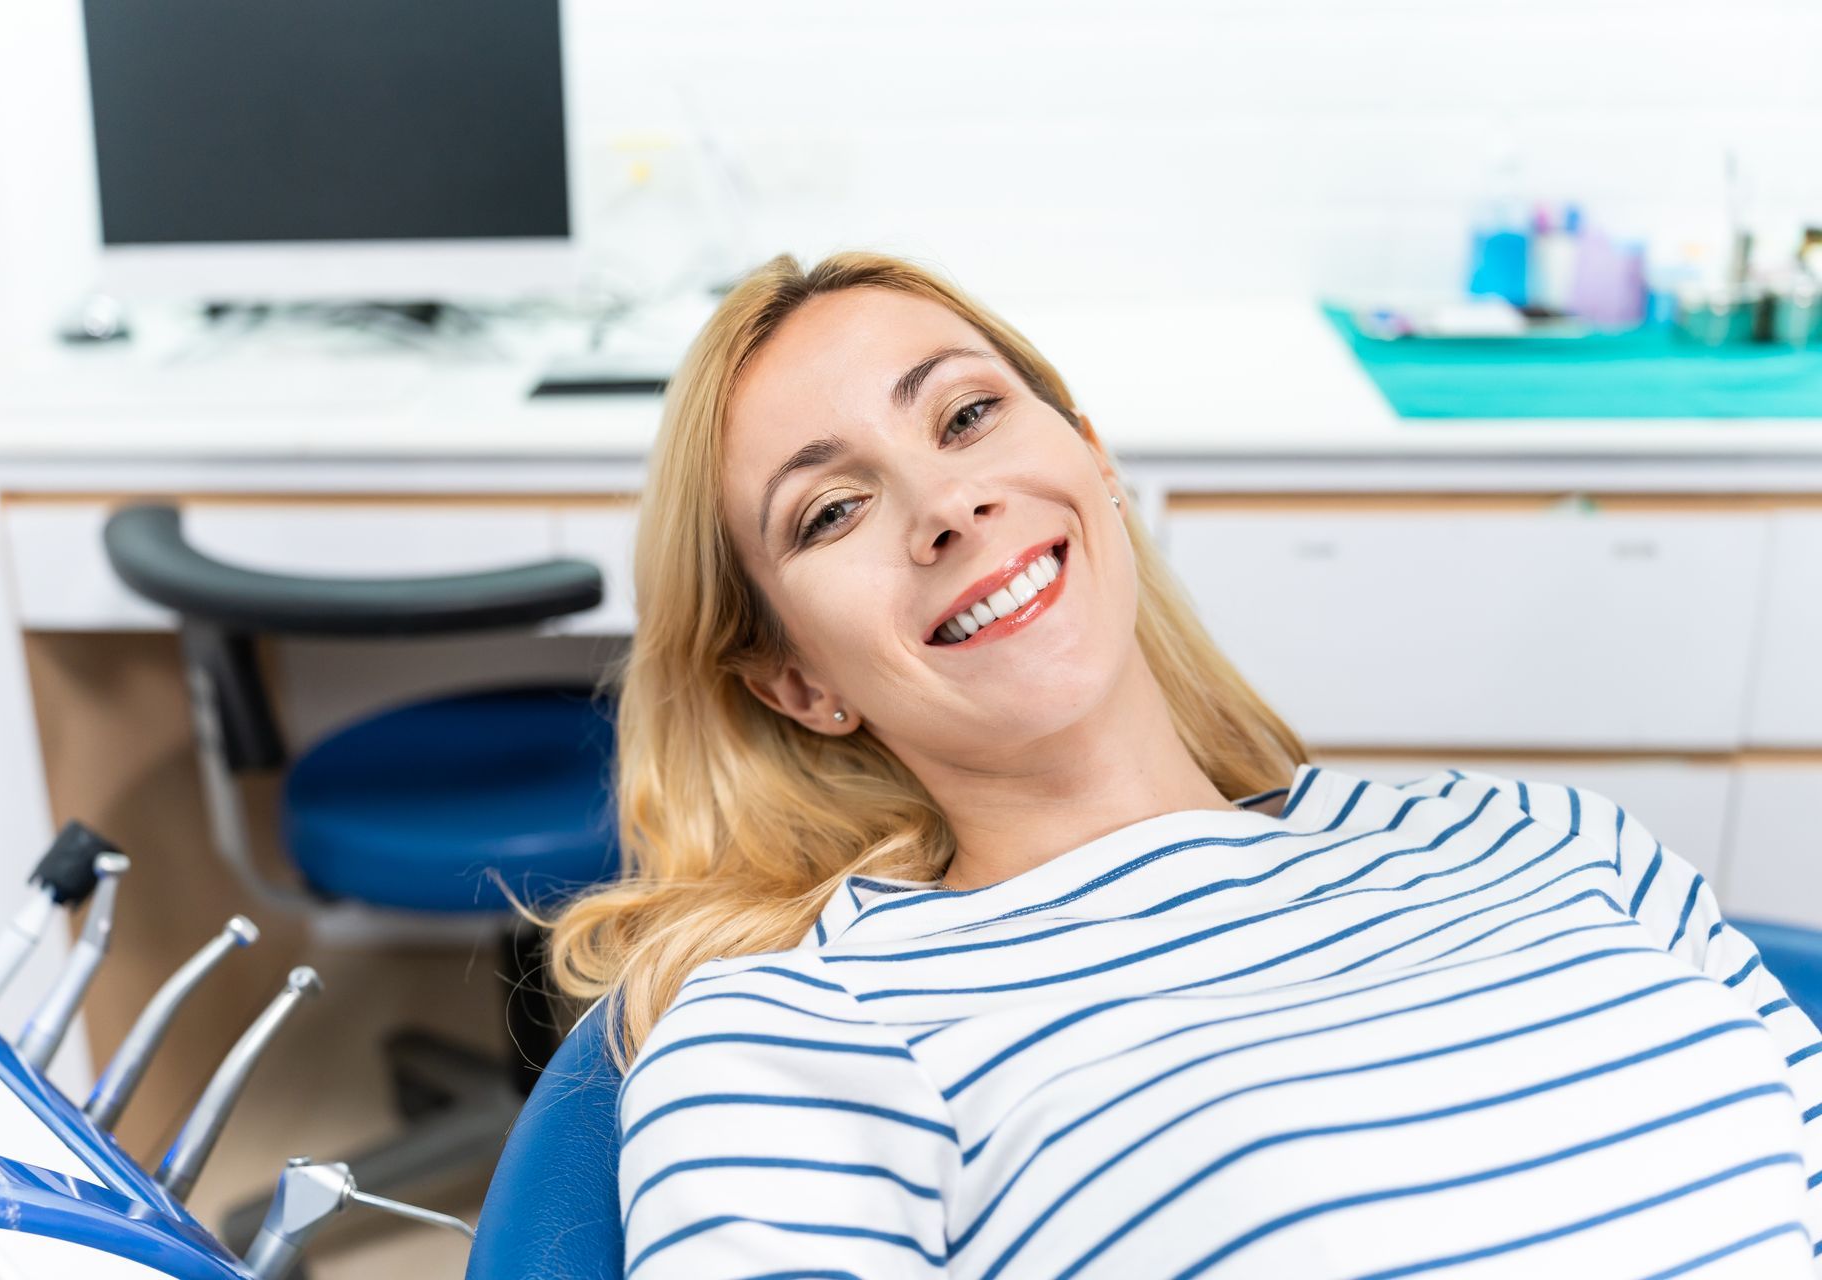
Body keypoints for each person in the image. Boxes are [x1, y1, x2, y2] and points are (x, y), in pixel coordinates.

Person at [537, 250, 1822, 1277]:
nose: (946, 507)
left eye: (970, 415)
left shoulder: (1547, 838)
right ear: (798, 681)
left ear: (1093, 455)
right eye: (833, 509)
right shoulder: (797, 1036)